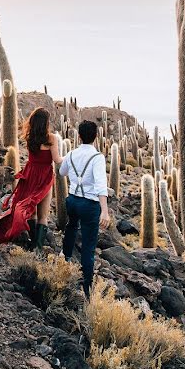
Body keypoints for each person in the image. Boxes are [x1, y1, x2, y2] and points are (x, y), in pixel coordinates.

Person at [0, 107, 63, 249]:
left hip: (30, 175)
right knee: (43, 216)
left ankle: (33, 243)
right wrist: (70, 158)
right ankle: (38, 249)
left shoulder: (30, 138)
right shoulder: (51, 138)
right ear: (45, 123)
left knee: (31, 211)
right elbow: (57, 160)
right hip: (44, 177)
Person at [59, 120, 110, 297]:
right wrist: (105, 210)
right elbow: (101, 185)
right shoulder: (97, 158)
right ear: (96, 137)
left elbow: (61, 172)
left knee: (71, 228)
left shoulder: (71, 154)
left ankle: (64, 262)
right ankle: (87, 287)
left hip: (72, 200)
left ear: (78, 136)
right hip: (89, 205)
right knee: (88, 246)